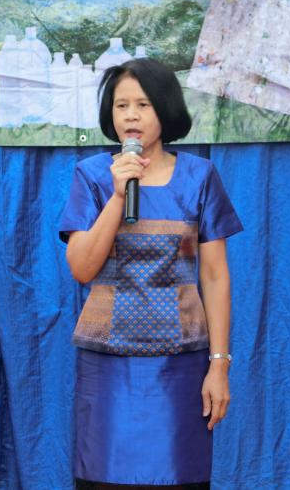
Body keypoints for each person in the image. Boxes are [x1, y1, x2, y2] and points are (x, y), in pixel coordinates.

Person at [59, 58, 243, 489]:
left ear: (165, 108)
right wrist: (117, 196)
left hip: (180, 367)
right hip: (108, 367)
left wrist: (219, 365)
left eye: (143, 105)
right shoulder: (92, 176)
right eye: (121, 105)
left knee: (179, 477)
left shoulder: (200, 176)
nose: (131, 116)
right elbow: (82, 268)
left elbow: (215, 277)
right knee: (104, 478)